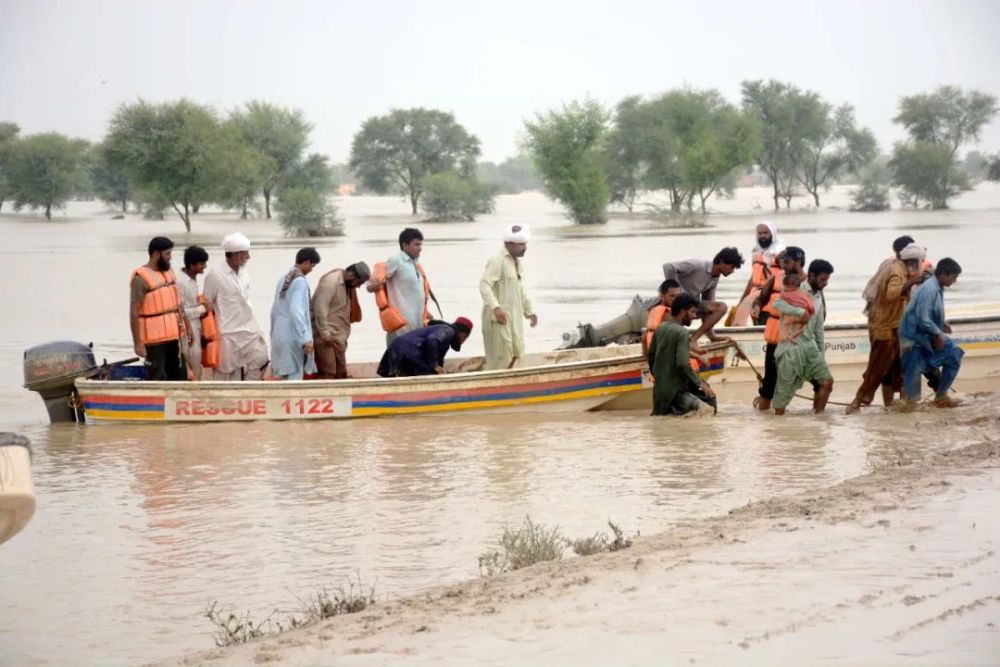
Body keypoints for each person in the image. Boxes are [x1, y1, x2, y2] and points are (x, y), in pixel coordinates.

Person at [847, 243, 928, 412]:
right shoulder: (898, 271)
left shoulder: (896, 267)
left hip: (892, 326)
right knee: (877, 369)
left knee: (897, 369)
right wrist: (912, 282)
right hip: (884, 328)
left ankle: (895, 407)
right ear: (913, 260)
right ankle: (857, 402)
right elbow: (892, 293)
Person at [203, 233, 269, 381]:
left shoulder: (244, 271)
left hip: (249, 329)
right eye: (245, 254)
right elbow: (206, 305)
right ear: (234, 255)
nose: (248, 257)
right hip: (227, 332)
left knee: (261, 357)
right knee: (225, 371)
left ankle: (249, 390)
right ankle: (222, 399)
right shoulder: (215, 276)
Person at [772, 259, 835, 415]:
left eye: (827, 279)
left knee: (827, 381)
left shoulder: (819, 295)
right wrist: (800, 312)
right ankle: (776, 428)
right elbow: (778, 304)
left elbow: (819, 329)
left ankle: (818, 419)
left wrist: (821, 354)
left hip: (810, 346)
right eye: (822, 279)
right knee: (783, 393)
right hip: (791, 347)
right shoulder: (796, 288)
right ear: (812, 276)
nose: (825, 283)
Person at [899, 258, 964, 408]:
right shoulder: (929, 289)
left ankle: (941, 396)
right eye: (954, 277)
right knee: (913, 381)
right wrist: (938, 334)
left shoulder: (938, 287)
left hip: (925, 335)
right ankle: (910, 405)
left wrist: (941, 324)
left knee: (955, 353)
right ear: (944, 275)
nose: (954, 281)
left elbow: (928, 314)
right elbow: (922, 318)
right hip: (912, 337)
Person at [753, 246, 806, 411]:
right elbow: (761, 298)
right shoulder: (775, 278)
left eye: (787, 261)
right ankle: (765, 415)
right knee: (770, 381)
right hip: (775, 335)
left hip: (797, 337)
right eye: (782, 261)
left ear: (798, 262)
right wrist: (756, 307)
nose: (783, 265)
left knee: (795, 378)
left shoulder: (807, 282)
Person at [479, 224, 538, 370]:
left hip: (514, 317)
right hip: (499, 318)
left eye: (525, 244)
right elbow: (484, 285)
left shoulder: (516, 262)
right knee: (501, 356)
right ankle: (496, 387)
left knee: (517, 351)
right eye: (521, 245)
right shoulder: (497, 261)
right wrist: (496, 308)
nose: (525, 248)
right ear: (509, 244)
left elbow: (520, 289)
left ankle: (511, 383)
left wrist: (530, 311)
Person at [647, 293, 716, 416]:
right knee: (708, 406)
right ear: (683, 312)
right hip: (675, 391)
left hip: (660, 390)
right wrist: (699, 383)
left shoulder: (661, 328)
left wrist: (660, 379)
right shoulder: (682, 333)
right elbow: (682, 364)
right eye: (692, 312)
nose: (694, 316)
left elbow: (651, 356)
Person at [130, 236, 186, 381]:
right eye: (167, 254)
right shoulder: (140, 279)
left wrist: (188, 328)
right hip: (154, 342)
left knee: (179, 375)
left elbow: (178, 305)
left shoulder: (169, 272)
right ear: (156, 254)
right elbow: (134, 312)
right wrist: (138, 343)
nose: (170, 257)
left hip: (174, 337)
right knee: (158, 377)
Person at [661, 247, 743, 342]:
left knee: (721, 307)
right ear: (721, 262)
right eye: (731, 267)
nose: (732, 271)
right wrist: (679, 294)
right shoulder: (697, 265)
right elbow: (668, 267)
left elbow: (708, 310)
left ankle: (693, 339)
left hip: (690, 307)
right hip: (674, 306)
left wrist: (712, 336)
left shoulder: (714, 278)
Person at [367, 228, 432, 346]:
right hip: (400, 324)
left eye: (421, 244)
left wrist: (427, 312)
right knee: (397, 358)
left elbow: (416, 293)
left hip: (417, 323)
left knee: (415, 359)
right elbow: (371, 285)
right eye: (416, 244)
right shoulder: (396, 261)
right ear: (405, 245)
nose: (420, 248)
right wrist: (374, 285)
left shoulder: (416, 264)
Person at [312, 262, 370, 379]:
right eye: (359, 283)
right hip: (325, 337)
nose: (358, 287)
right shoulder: (330, 283)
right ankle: (325, 396)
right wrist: (325, 334)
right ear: (351, 275)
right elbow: (319, 310)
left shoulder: (347, 286)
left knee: (341, 373)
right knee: (328, 373)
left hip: (339, 337)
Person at [270, 248, 321, 380]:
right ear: (306, 263)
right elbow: (296, 311)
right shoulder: (299, 281)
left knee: (285, 375)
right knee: (294, 377)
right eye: (312, 266)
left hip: (279, 333)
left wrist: (273, 332)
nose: (312, 269)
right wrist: (305, 339)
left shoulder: (284, 278)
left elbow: (274, 310)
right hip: (292, 336)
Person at [376, 317, 474, 377]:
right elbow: (432, 341)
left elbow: (436, 354)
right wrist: (435, 365)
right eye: (465, 338)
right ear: (463, 335)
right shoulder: (448, 331)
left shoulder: (440, 329)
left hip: (397, 350)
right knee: (429, 372)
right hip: (407, 354)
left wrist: (439, 367)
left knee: (429, 371)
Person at [862, 235, 932, 318]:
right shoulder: (896, 267)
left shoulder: (897, 263)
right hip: (888, 315)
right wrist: (913, 281)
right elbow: (893, 292)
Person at [177, 245, 210, 380]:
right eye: (202, 264)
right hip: (187, 328)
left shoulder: (192, 279)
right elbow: (180, 311)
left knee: (196, 359)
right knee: (193, 359)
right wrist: (203, 309)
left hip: (196, 325)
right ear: (192, 265)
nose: (205, 266)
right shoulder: (181, 282)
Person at [739, 221, 786, 310]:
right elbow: (753, 279)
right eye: (760, 233)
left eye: (765, 233)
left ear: (772, 233)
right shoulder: (756, 252)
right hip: (755, 300)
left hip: (775, 301)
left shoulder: (780, 252)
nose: (763, 236)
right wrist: (741, 302)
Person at [641, 279, 682, 355]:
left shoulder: (653, 310)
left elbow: (644, 338)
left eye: (678, 296)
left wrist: (646, 356)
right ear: (662, 296)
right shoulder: (667, 313)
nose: (676, 300)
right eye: (672, 296)